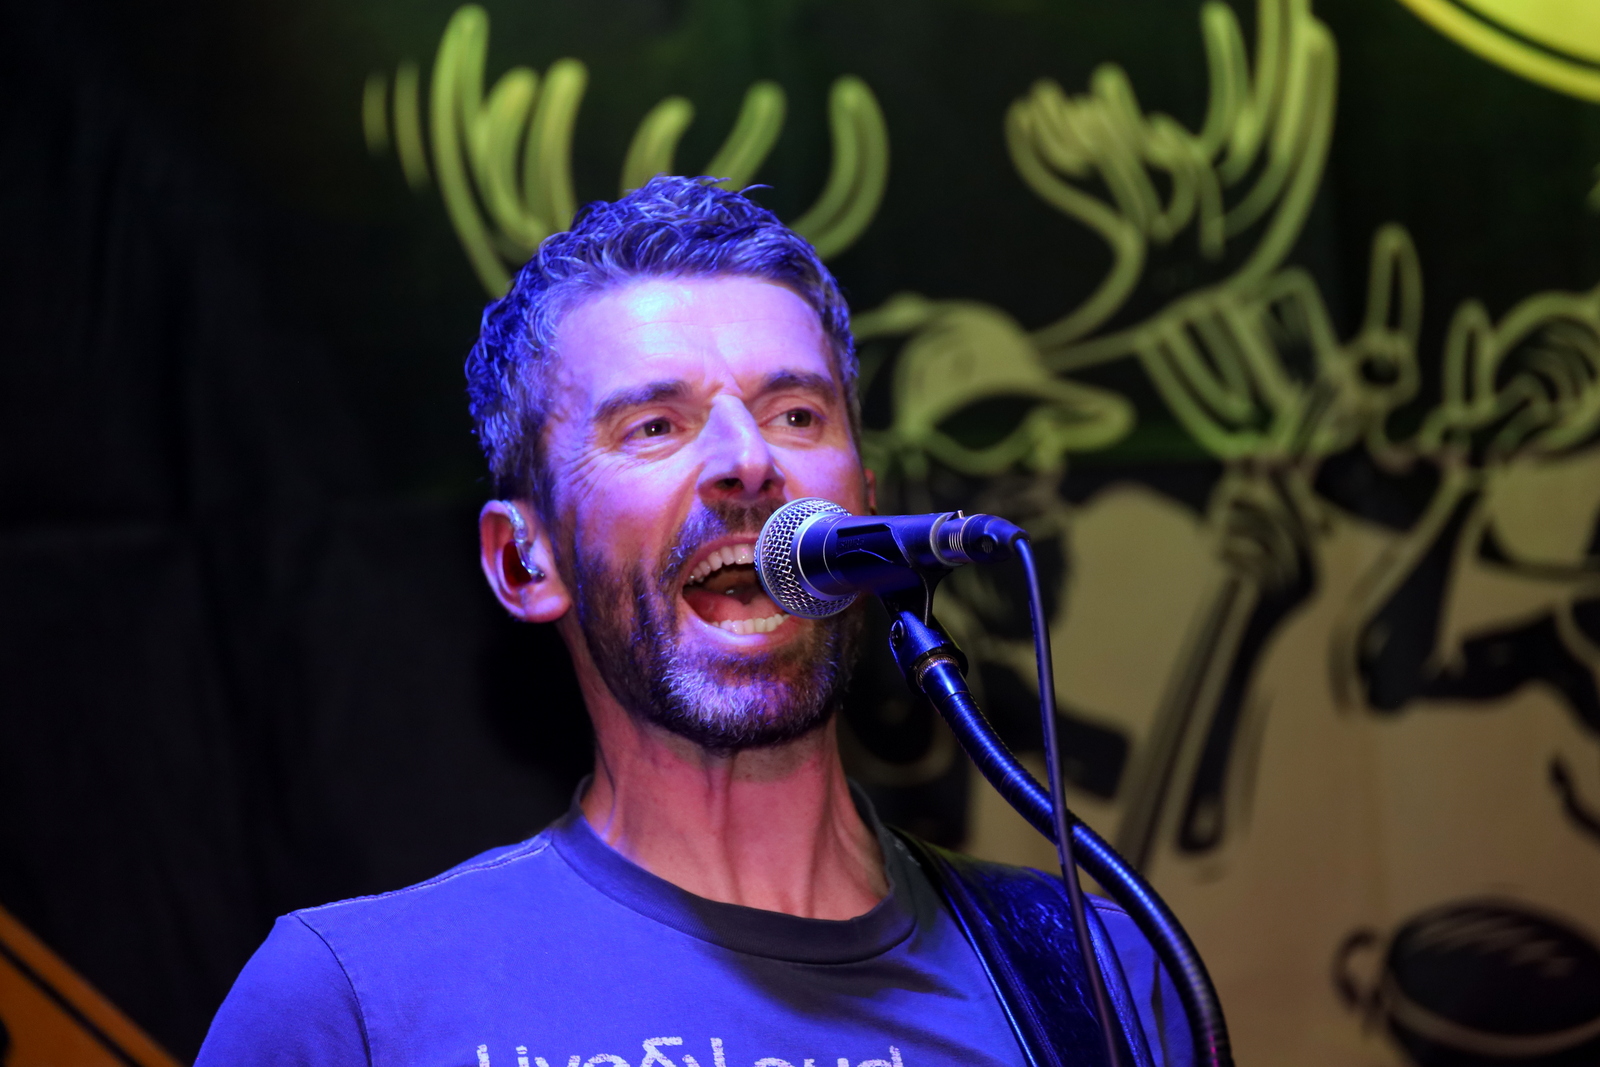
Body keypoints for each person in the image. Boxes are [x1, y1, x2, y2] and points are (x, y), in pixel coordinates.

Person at [195, 177, 1191, 1067]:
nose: (748, 459)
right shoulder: (356, 1006)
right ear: (524, 560)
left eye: (796, 413)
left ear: (864, 505)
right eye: (655, 425)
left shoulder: (1100, 976)